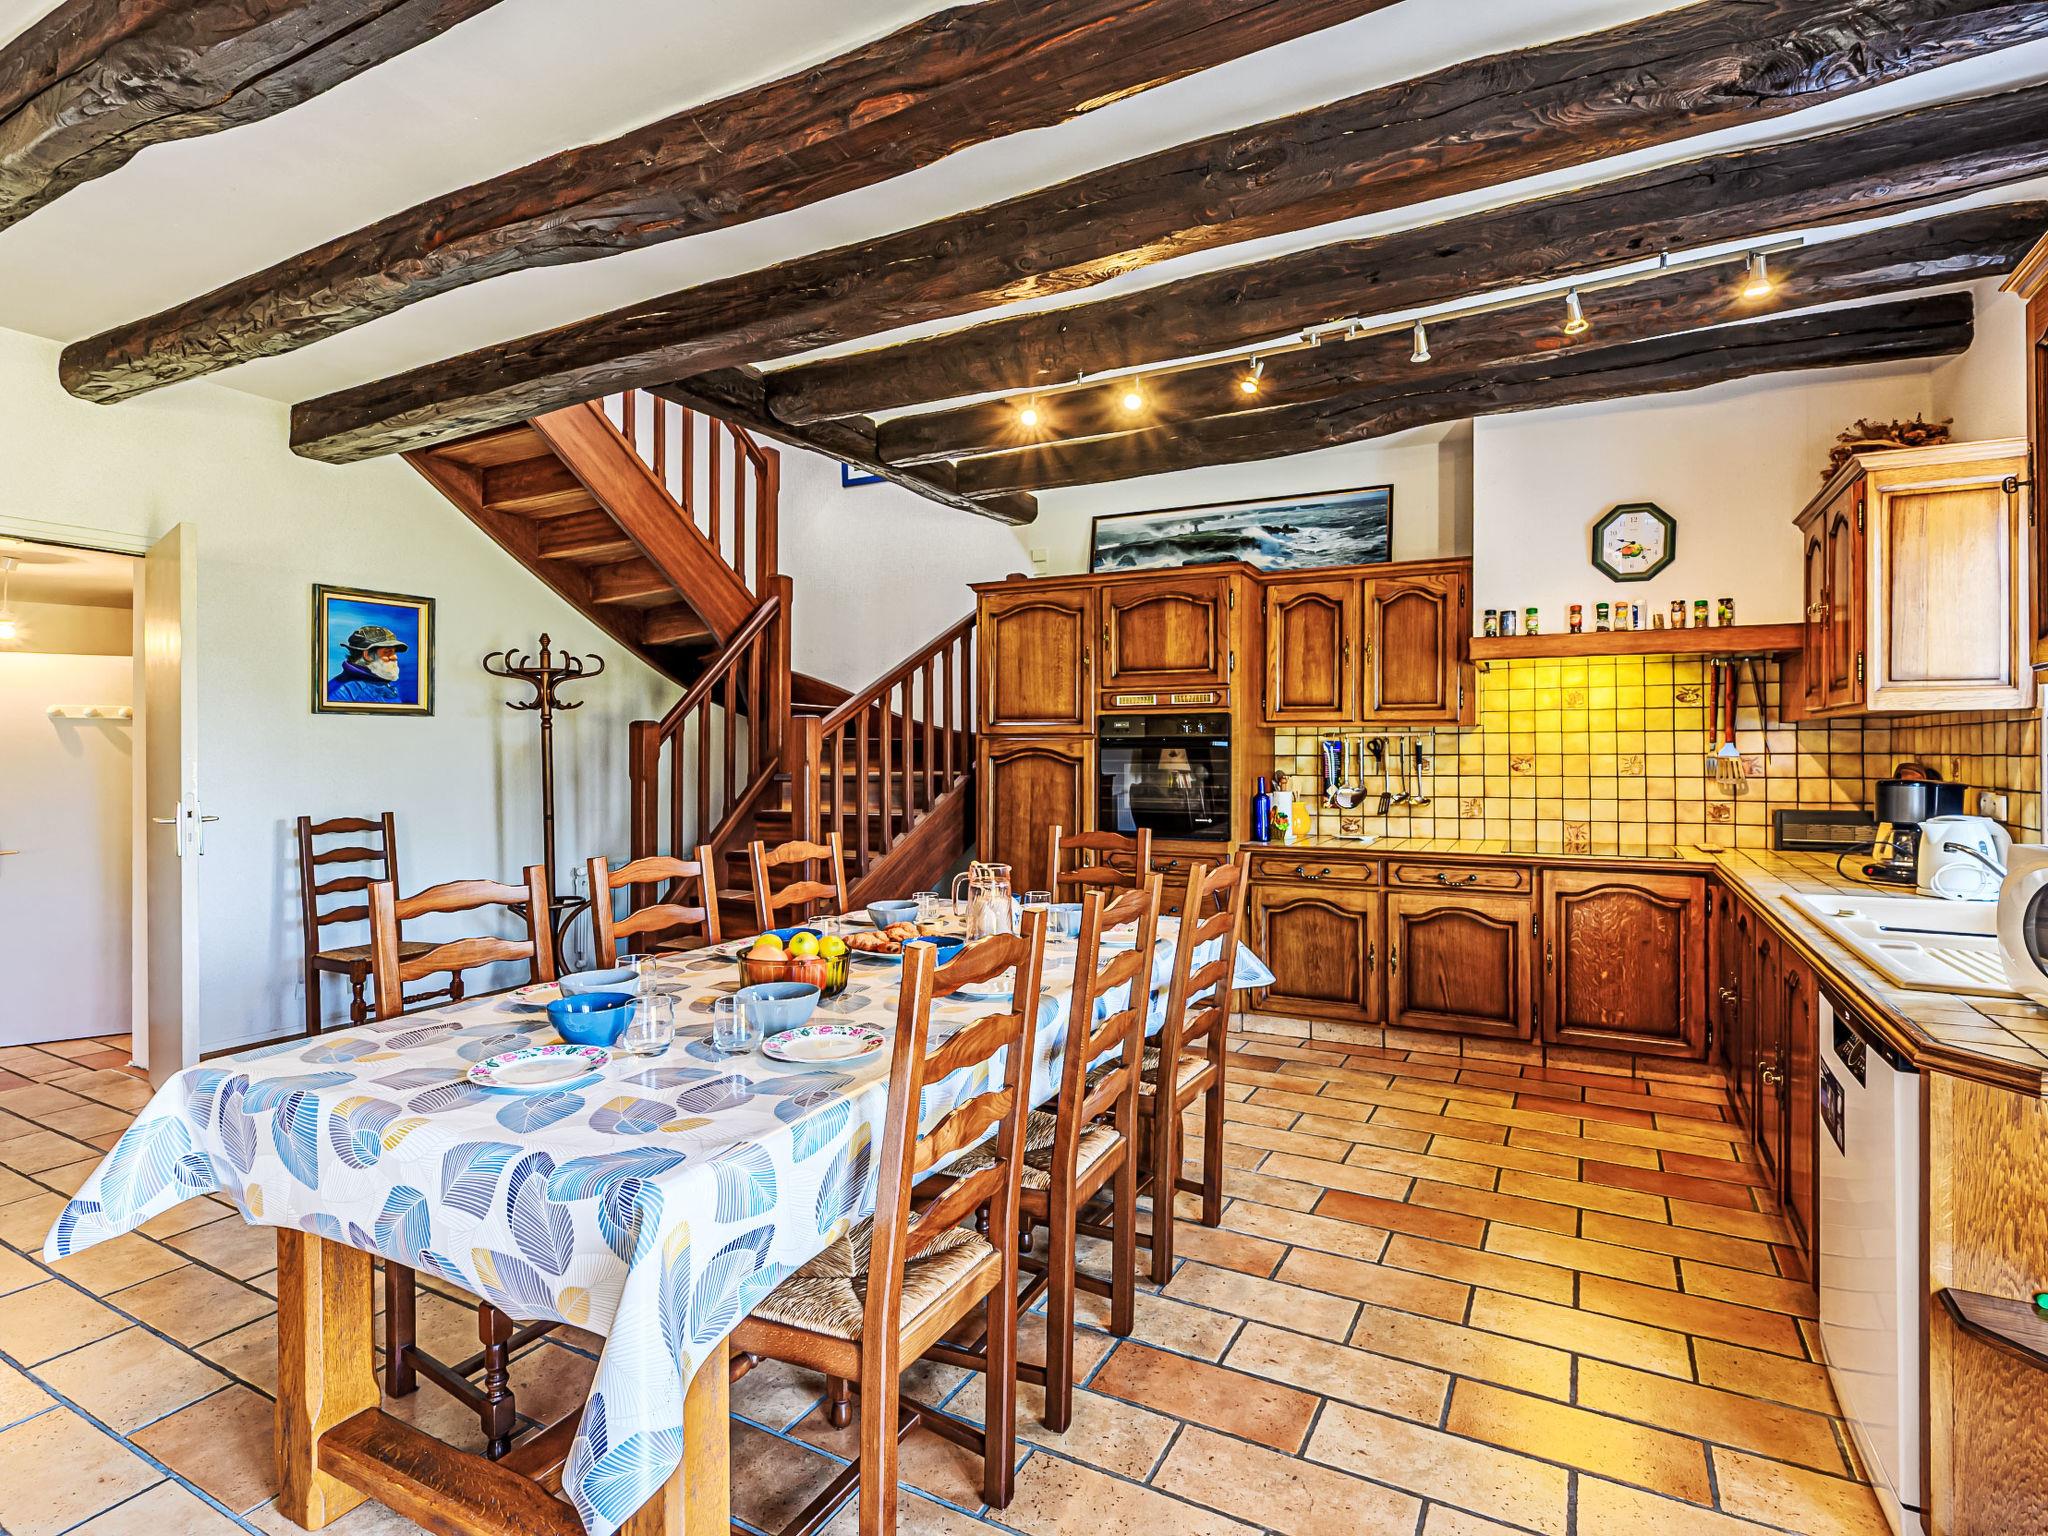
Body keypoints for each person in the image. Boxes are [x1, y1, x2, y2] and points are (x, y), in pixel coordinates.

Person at [327, 624, 409, 704]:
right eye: (387, 652)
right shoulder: (341, 693)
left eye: (394, 652)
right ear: (367, 655)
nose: (395, 657)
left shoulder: (378, 683)